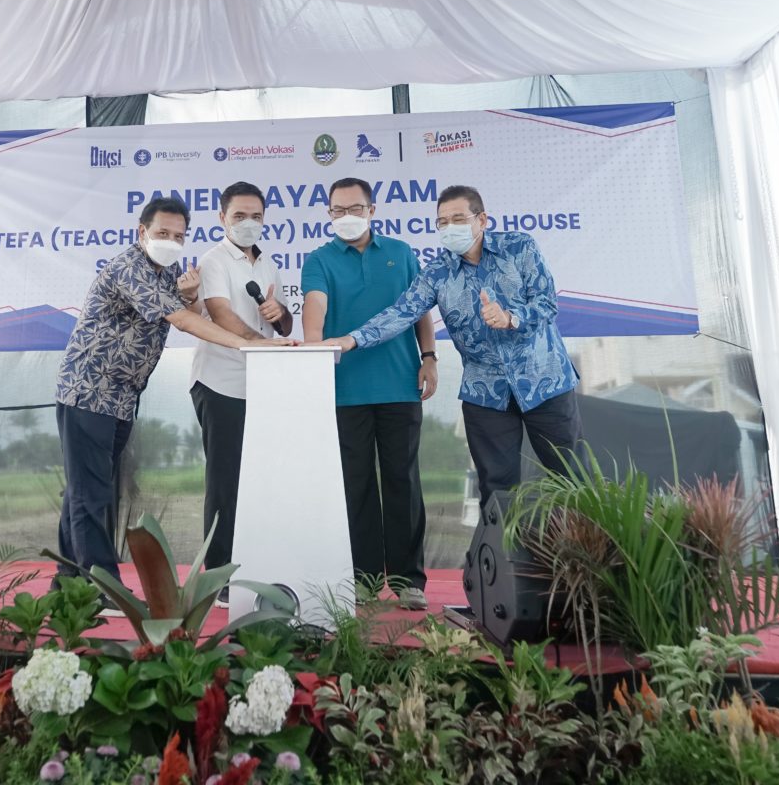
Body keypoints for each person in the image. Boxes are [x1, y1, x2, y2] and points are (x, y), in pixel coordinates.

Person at [55, 196, 296, 586]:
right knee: (91, 494)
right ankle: (99, 588)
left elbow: (186, 309)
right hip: (88, 391)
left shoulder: (166, 271)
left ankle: (67, 579)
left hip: (120, 397)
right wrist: (250, 344)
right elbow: (183, 321)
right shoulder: (129, 267)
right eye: (162, 233)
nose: (171, 241)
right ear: (142, 232)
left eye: (179, 235)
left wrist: (188, 295)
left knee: (85, 490)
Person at [325, 185, 581, 512]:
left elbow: (547, 303)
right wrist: (352, 339)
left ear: (482, 219)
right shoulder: (437, 272)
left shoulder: (519, 247)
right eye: (442, 222)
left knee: (571, 480)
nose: (450, 227)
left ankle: (582, 561)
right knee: (497, 489)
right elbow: (402, 312)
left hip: (546, 381)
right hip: (486, 393)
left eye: (458, 218)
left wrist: (510, 318)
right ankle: (507, 561)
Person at [302, 177, 437, 610]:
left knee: (402, 480)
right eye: (338, 210)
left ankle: (407, 580)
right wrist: (313, 351)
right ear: (328, 215)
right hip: (344, 391)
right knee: (355, 485)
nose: (347, 217)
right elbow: (315, 306)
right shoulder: (319, 259)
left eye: (355, 208)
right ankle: (361, 578)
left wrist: (430, 356)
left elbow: (419, 311)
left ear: (373, 209)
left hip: (401, 385)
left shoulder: (400, 253)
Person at [189, 182, 292, 596]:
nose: (248, 224)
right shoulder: (213, 260)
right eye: (239, 216)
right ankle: (219, 579)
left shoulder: (268, 265)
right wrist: (260, 342)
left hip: (262, 385)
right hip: (220, 382)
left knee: (259, 482)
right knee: (225, 483)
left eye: (255, 217)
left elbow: (285, 325)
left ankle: (257, 563)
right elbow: (219, 314)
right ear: (222, 218)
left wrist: (279, 313)